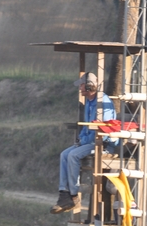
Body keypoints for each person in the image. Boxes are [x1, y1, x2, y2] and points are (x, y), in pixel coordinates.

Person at [50, 72, 118, 214]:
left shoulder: (103, 102)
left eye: (81, 85)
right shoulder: (89, 101)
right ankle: (64, 194)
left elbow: (102, 130)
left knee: (73, 155)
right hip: (89, 142)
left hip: (103, 144)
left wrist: (84, 141)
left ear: (89, 86)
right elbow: (86, 128)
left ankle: (74, 196)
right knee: (64, 154)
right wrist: (81, 139)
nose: (80, 88)